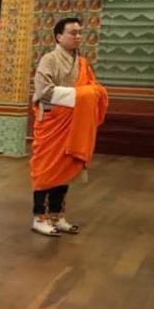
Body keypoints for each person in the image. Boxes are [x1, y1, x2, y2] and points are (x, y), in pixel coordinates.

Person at [29, 17, 108, 236]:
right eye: (73, 33)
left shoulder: (82, 63)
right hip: (53, 122)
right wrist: (82, 95)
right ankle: (39, 216)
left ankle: (57, 214)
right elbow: (44, 91)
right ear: (58, 36)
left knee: (65, 169)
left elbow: (93, 87)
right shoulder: (49, 60)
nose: (78, 37)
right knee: (45, 170)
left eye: (80, 32)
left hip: (73, 123)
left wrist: (89, 93)